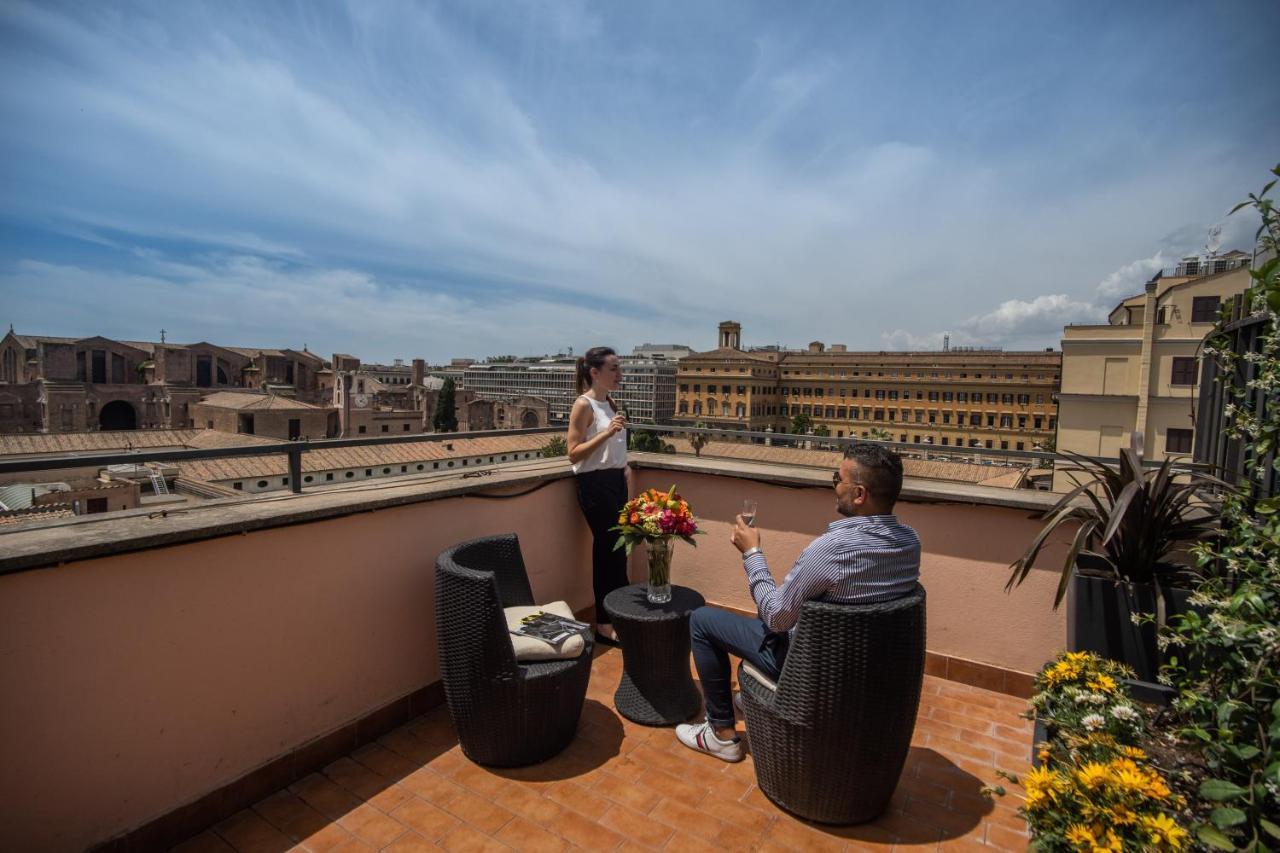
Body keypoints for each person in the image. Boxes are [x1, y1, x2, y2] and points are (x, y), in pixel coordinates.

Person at [675, 443, 921, 761]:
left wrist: (752, 554)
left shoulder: (833, 549)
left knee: (703, 620)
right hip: (861, 671)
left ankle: (721, 733)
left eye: (837, 478)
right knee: (771, 617)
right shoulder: (909, 542)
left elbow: (777, 617)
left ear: (859, 494)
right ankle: (751, 697)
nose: (834, 486)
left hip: (809, 670)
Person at [567, 346, 632, 646]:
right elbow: (573, 453)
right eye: (614, 368)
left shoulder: (610, 403)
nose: (620, 374)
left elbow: (611, 450)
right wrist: (606, 434)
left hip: (615, 481)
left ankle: (619, 615)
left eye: (619, 368)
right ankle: (604, 625)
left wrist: (623, 465)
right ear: (595, 372)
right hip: (594, 485)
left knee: (619, 551)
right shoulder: (584, 405)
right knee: (607, 551)